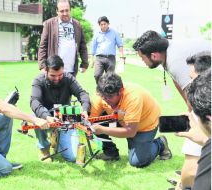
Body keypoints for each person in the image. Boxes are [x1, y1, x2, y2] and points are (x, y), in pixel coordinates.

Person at [133, 31, 210, 185]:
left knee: (197, 132)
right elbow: (181, 86)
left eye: (142, 57)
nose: (142, 61)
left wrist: (193, 117)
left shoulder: (175, 60)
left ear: (154, 55)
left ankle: (190, 176)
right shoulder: (168, 52)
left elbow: (194, 95)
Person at [90, 72, 172, 168]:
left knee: (137, 162)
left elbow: (131, 131)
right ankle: (110, 152)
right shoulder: (101, 94)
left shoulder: (133, 97)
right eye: (103, 97)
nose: (106, 100)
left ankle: (160, 143)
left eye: (110, 97)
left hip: (145, 126)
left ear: (120, 91)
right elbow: (92, 120)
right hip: (123, 120)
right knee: (95, 123)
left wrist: (102, 129)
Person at [30, 55, 90, 162]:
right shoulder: (38, 81)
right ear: (46, 70)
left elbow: (82, 93)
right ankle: (44, 148)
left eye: (60, 75)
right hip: (45, 117)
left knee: (73, 157)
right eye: (53, 75)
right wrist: (47, 116)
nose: (57, 78)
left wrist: (84, 109)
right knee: (35, 116)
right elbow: (34, 101)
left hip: (65, 119)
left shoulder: (69, 78)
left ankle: (56, 137)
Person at [172, 52, 211, 190]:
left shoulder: (202, 113)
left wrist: (181, 185)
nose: (190, 85)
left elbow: (189, 174)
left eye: (194, 79)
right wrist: (204, 141)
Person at [38, 0, 88, 77]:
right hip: (54, 71)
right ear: (57, 11)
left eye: (67, 10)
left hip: (71, 71)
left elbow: (83, 46)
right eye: (62, 11)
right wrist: (42, 66)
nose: (65, 13)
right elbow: (42, 46)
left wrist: (84, 63)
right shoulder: (49, 24)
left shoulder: (77, 25)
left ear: (70, 10)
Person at [90, 16, 124, 83]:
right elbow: (93, 47)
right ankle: (100, 89)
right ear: (99, 25)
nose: (103, 26)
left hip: (110, 58)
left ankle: (108, 92)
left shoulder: (114, 33)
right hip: (99, 58)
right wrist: (91, 60)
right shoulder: (96, 34)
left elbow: (120, 45)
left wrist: (121, 57)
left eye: (105, 24)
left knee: (110, 78)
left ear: (108, 24)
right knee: (97, 75)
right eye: (101, 24)